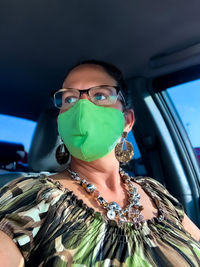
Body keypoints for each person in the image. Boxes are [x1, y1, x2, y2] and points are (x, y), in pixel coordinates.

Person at [0, 60, 200, 267]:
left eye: (100, 95)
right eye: (69, 99)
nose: (82, 107)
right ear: (60, 124)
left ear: (127, 121)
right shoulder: (27, 197)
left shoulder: (157, 193)